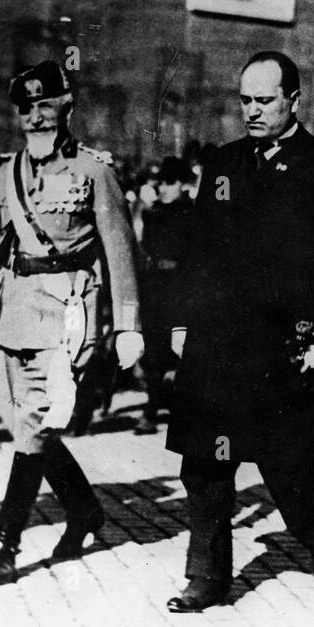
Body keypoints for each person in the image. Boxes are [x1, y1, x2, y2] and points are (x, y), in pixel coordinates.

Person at [164, 51, 314, 613]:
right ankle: (208, 576)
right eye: (245, 100)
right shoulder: (223, 164)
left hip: (285, 343)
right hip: (216, 341)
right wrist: (181, 321)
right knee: (204, 463)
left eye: (265, 101)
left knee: (285, 465)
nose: (252, 111)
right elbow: (197, 252)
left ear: (294, 101)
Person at [0, 61, 143, 586]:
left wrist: (127, 326)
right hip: (9, 309)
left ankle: (5, 544)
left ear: (67, 108)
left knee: (34, 426)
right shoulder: (4, 172)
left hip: (67, 312)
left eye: (45, 106)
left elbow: (120, 251)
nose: (35, 118)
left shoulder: (94, 171)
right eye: (26, 109)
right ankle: (83, 509)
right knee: (22, 424)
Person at [133, 155, 195, 434]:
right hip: (155, 288)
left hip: (183, 289)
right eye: (160, 183)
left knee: (181, 350)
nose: (163, 189)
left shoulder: (195, 215)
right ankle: (151, 408)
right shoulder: (152, 213)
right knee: (154, 348)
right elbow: (142, 246)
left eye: (170, 183)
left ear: (182, 184)